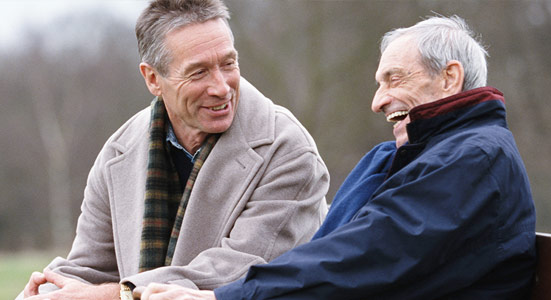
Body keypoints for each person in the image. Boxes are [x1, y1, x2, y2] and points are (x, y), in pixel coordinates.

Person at [135, 15, 537, 300]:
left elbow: (364, 257)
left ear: (449, 78)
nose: (377, 101)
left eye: (393, 79)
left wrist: (223, 298)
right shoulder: (408, 157)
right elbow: (341, 251)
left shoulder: (476, 160)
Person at [17, 0, 329, 299]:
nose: (221, 86)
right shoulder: (118, 153)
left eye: (228, 63)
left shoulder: (288, 150)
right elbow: (89, 268)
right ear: (153, 78)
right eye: (199, 72)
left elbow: (241, 272)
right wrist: (47, 292)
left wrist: (122, 294)